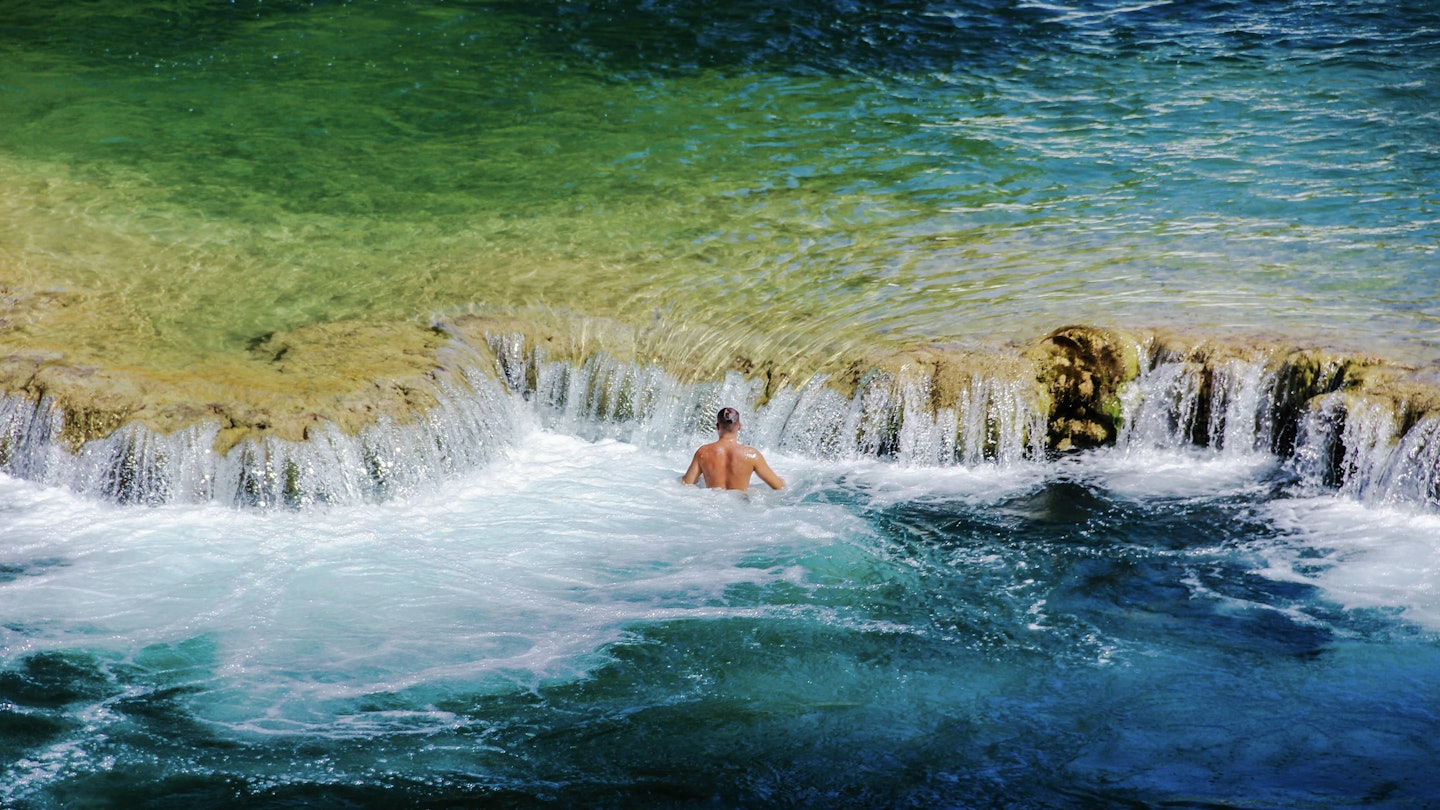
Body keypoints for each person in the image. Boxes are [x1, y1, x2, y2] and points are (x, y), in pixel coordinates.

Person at [681, 407, 784, 491]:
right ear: (739, 426)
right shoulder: (752, 455)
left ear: (717, 426)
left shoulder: (703, 453)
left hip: (712, 506)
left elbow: (687, 483)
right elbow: (778, 486)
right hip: (740, 507)